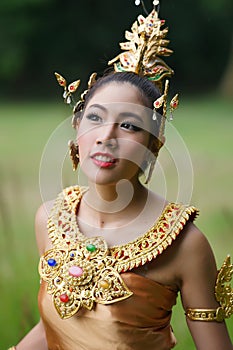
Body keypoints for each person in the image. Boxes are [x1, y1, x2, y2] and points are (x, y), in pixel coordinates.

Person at [9, 2, 233, 350]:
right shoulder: (51, 219)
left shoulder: (186, 245)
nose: (106, 136)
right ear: (77, 126)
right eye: (95, 118)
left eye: (129, 125)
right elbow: (54, 325)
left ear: (153, 145)